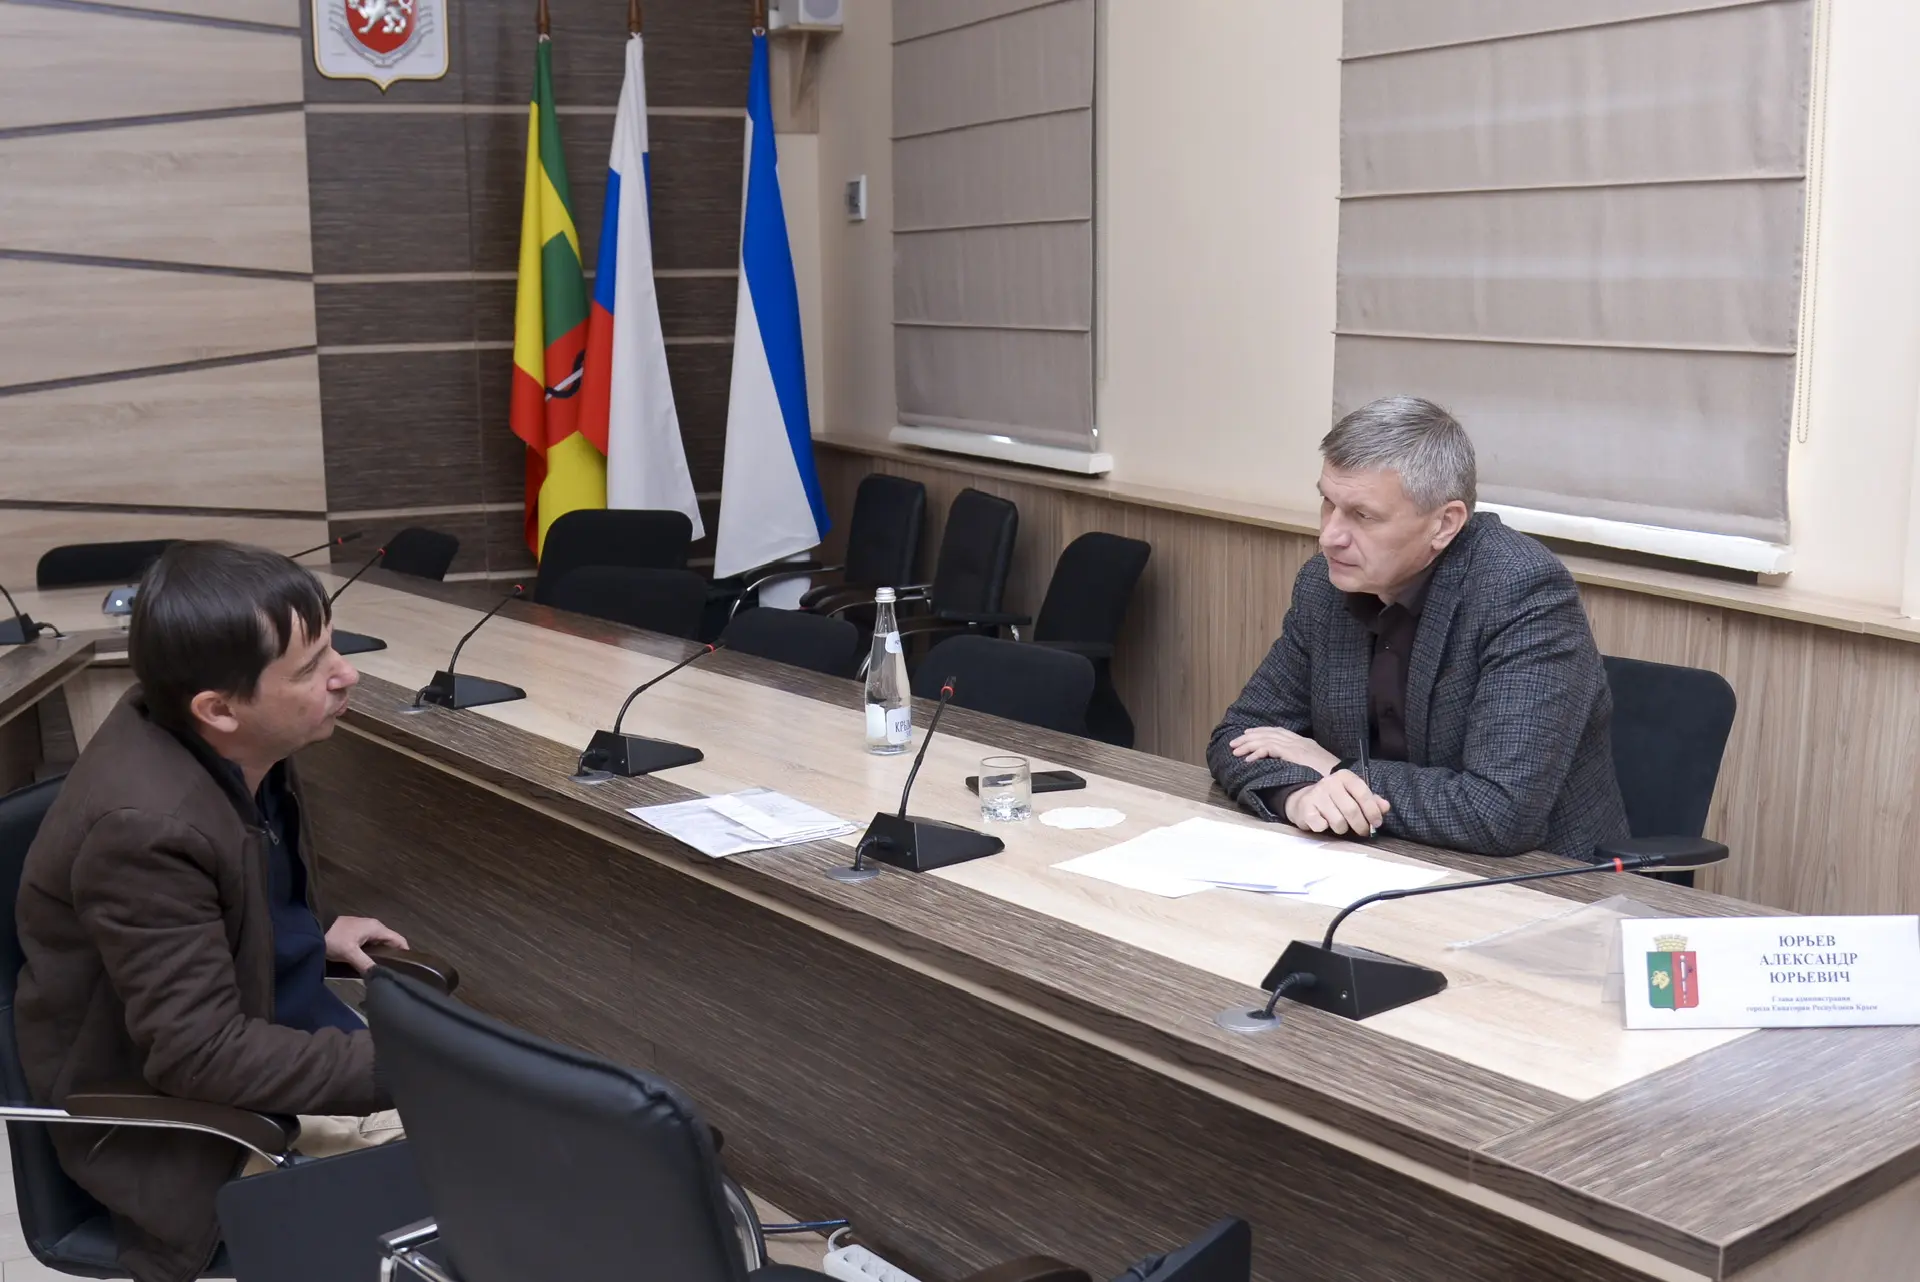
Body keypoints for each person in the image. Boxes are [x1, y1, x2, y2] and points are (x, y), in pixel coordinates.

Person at [14, 541, 410, 1282]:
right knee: (520, 1194)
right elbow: (200, 1055)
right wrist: (418, 1068)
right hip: (198, 1143)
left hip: (272, 1065)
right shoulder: (146, 829)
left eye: (333, 646)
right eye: (310, 668)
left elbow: (206, 909)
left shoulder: (232, 746)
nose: (345, 674)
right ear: (219, 709)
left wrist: (299, 933)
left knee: (539, 1148)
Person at [1208, 396, 1628, 860]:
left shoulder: (1521, 591)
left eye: (1363, 515)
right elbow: (1241, 735)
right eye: (1328, 503)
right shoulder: (1325, 584)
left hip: (1534, 880)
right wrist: (1297, 796)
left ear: (1444, 524)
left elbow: (1499, 812)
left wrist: (1337, 771)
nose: (1329, 536)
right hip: (1366, 859)